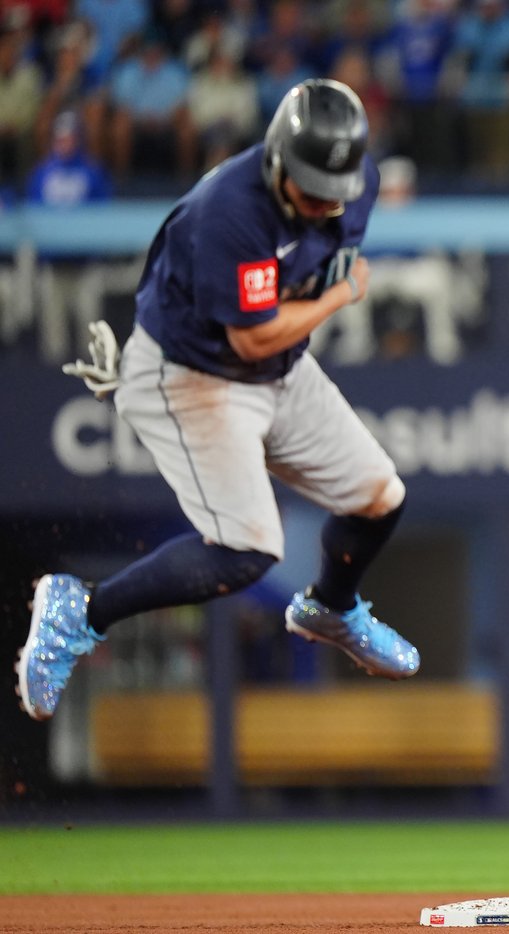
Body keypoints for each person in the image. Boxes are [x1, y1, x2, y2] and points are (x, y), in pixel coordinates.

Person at [16, 78, 420, 723]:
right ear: (278, 159)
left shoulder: (353, 184)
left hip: (279, 370)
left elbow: (290, 307)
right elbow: (253, 335)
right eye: (311, 186)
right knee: (246, 550)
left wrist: (318, 294)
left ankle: (330, 607)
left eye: (334, 189)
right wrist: (340, 297)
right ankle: (79, 612)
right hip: (192, 374)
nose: (324, 202)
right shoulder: (230, 211)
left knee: (379, 499)